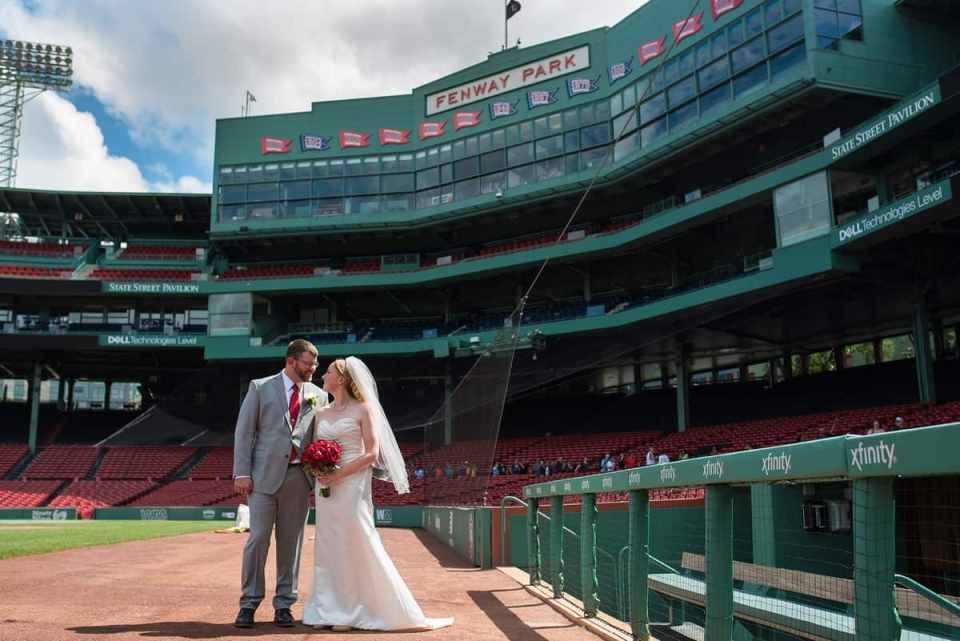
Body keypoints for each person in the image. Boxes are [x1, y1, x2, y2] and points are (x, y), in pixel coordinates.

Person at [303, 357, 453, 631]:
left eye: (328, 372)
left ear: (343, 379)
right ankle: (330, 608)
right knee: (328, 544)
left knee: (357, 540)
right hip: (325, 486)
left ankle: (356, 610)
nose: (323, 376)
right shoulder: (321, 413)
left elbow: (371, 453)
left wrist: (338, 474)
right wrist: (320, 471)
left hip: (351, 484)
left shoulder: (363, 408)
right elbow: (314, 450)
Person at [232, 339, 328, 629]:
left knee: (291, 544)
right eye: (308, 363)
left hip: (299, 478)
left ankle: (284, 604)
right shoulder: (260, 387)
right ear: (290, 361)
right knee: (257, 540)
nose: (313, 368)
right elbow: (244, 431)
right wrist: (241, 472)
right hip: (261, 478)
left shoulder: (319, 395)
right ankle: (248, 603)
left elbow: (320, 438)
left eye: (315, 364)